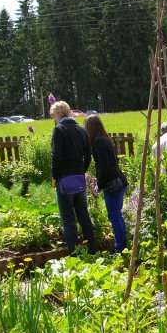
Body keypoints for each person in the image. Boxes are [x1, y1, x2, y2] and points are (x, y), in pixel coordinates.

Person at [50, 100, 97, 255]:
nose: (53, 120)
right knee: (84, 216)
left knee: (68, 219)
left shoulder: (59, 129)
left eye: (53, 117)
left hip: (64, 179)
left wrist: (54, 176)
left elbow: (56, 156)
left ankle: (75, 255)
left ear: (57, 115)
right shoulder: (82, 130)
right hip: (78, 179)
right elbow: (88, 156)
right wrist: (81, 171)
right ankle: (92, 250)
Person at [84, 114, 128, 254]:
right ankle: (123, 245)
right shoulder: (105, 139)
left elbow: (104, 167)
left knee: (114, 216)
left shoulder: (98, 143)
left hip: (112, 185)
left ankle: (120, 248)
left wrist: (99, 184)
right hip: (119, 182)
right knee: (117, 215)